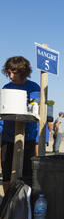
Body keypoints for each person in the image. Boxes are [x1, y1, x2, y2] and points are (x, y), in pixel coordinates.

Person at [1, 56, 40, 193]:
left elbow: (35, 110)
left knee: (27, 174)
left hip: (27, 138)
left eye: (14, 73)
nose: (11, 76)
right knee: (6, 173)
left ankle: (23, 203)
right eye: (9, 72)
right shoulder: (6, 88)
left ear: (23, 72)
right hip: (7, 138)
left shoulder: (34, 87)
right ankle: (7, 203)